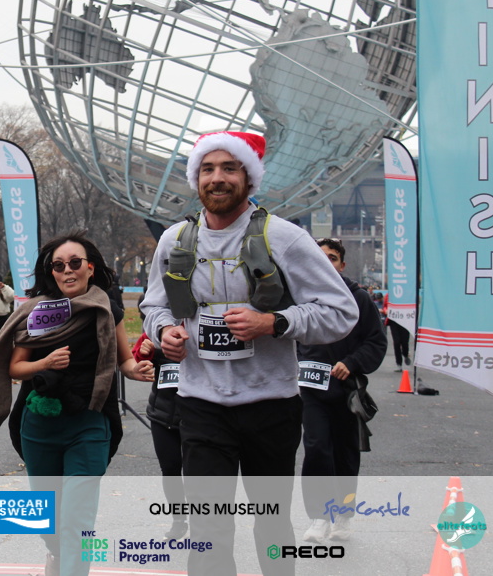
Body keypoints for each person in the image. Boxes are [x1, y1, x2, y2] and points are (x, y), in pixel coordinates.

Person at [141, 131, 358, 576]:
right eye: (207, 169)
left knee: (271, 524)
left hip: (270, 406)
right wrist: (164, 331)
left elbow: (341, 312)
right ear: (196, 179)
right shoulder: (175, 240)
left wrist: (274, 322)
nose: (217, 178)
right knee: (208, 529)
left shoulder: (285, 238)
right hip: (200, 405)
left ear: (249, 177)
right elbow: (154, 306)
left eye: (229, 168)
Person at [0, 231, 154, 576]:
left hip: (89, 422)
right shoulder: (38, 311)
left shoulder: (108, 309)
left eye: (75, 263)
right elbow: (15, 367)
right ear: (52, 272)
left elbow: (124, 360)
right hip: (39, 425)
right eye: (59, 265)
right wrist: (45, 363)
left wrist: (137, 369)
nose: (67, 270)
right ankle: (56, 554)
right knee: (48, 519)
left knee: (78, 517)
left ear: (90, 268)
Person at [298, 238, 386, 544]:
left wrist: (351, 363)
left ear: (342, 265)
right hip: (311, 391)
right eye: (320, 257)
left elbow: (376, 341)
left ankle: (344, 516)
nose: (326, 263)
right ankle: (319, 517)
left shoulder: (358, 298)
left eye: (332, 258)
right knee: (316, 449)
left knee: (345, 455)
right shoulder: (301, 297)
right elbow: (289, 335)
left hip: (347, 393)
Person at [132, 299, 187, 542]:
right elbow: (137, 361)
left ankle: (205, 519)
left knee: (199, 473)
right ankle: (178, 520)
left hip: (198, 417)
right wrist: (145, 353)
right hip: (162, 415)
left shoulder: (201, 329)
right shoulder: (155, 331)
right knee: (171, 469)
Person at [383, 293, 412, 371]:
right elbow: (385, 306)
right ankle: (399, 364)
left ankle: (405, 354)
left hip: (405, 320)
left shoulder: (407, 294)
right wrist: (386, 310)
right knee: (396, 342)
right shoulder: (389, 295)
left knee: (405, 342)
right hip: (394, 320)